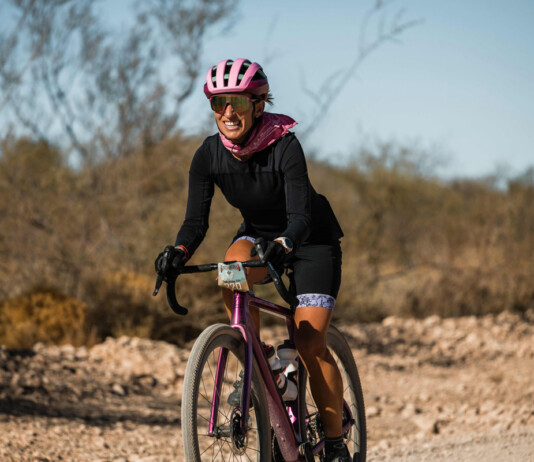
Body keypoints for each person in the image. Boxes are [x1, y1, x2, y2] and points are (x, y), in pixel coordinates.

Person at [155, 58, 349, 461]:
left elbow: (301, 217)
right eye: (218, 103)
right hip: (259, 237)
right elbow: (195, 222)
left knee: (309, 341)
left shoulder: (285, 145)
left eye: (238, 103)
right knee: (231, 268)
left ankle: (334, 444)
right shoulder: (209, 155)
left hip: (311, 240)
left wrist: (285, 242)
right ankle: (258, 361)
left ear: (259, 104)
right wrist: (178, 251)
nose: (228, 112)